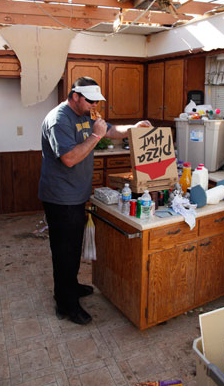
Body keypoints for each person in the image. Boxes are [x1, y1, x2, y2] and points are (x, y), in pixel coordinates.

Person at [38, 76, 152, 325]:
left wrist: (134, 127)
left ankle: (72, 286)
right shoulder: (59, 120)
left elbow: (110, 129)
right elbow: (68, 158)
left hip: (76, 195)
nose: (94, 105)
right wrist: (95, 137)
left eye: (96, 101)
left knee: (73, 247)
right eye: (90, 101)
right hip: (60, 198)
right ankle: (66, 304)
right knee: (63, 251)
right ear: (75, 96)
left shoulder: (87, 114)